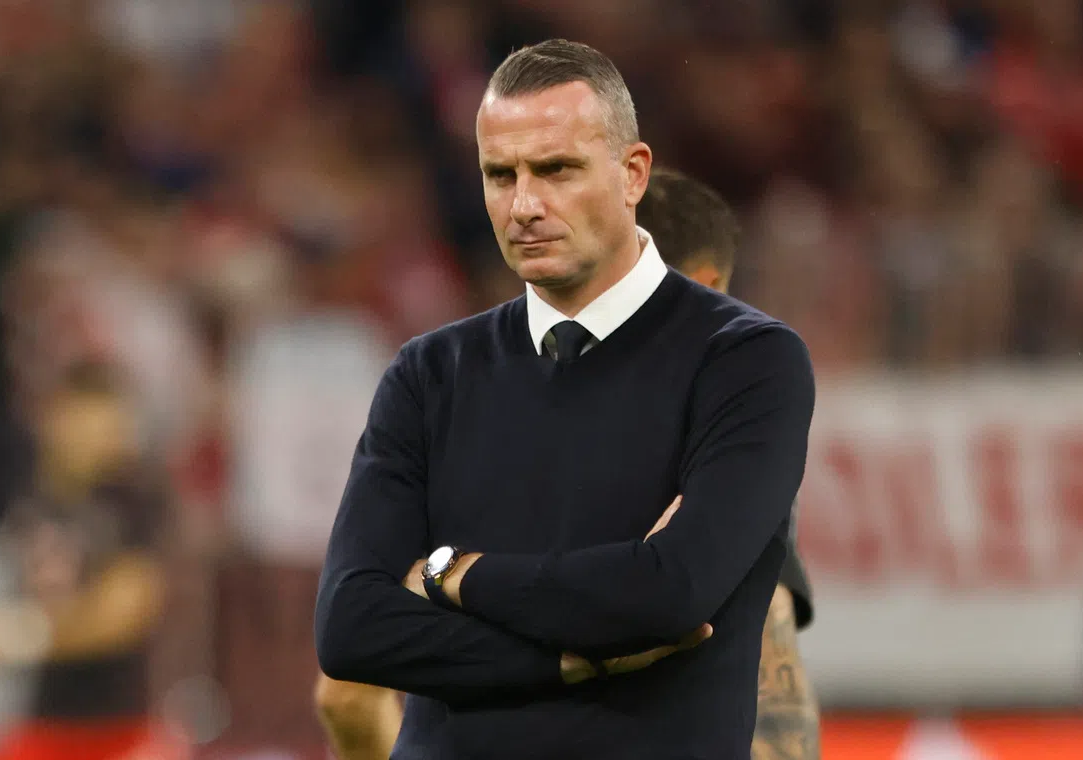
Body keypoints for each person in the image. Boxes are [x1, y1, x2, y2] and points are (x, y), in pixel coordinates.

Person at [315, 39, 815, 760]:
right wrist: (567, 659)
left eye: (555, 170)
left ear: (632, 173)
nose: (523, 205)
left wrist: (450, 574)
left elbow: (671, 592)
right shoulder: (428, 374)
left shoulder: (746, 361)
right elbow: (351, 628)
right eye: (500, 175)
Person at [0, 362, 183, 760]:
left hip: (119, 726)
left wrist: (11, 636)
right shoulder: (27, 496)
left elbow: (125, 610)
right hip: (35, 722)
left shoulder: (136, 499)